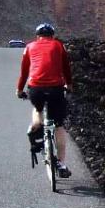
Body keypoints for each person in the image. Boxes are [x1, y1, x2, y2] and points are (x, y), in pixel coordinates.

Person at [16, 23, 73, 178]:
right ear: (52, 35)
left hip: (36, 88)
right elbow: (66, 68)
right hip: (56, 88)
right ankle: (61, 164)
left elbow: (24, 72)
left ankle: (35, 126)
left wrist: (19, 90)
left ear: (37, 36)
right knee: (59, 126)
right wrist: (69, 85)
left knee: (38, 108)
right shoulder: (59, 45)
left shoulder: (29, 47)